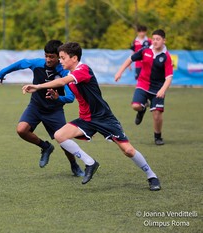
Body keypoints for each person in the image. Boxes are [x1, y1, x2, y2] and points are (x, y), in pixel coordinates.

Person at [22, 42, 161, 191]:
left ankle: (152, 176)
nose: (59, 61)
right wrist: (57, 98)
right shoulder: (70, 75)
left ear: (74, 58)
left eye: (62, 57)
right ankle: (90, 163)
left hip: (104, 118)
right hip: (86, 119)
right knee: (59, 135)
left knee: (128, 151)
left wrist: (37, 86)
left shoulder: (83, 70)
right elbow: (71, 97)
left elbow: (62, 81)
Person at [0, 40, 85, 177]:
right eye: (46, 56)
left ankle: (74, 165)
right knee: (21, 130)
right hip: (36, 107)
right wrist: (3, 72)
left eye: (52, 57)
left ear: (59, 57)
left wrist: (58, 98)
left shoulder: (64, 74)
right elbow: (21, 63)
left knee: (64, 141)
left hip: (54, 111)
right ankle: (45, 147)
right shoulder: (38, 64)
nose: (48, 59)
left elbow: (70, 97)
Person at [115, 29, 173, 145]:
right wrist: (120, 72)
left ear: (164, 41)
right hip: (143, 84)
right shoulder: (145, 50)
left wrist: (162, 90)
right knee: (136, 106)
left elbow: (169, 77)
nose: (155, 42)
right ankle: (142, 109)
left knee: (157, 114)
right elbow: (130, 59)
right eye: (154, 39)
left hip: (158, 88)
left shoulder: (166, 57)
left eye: (158, 39)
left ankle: (158, 136)